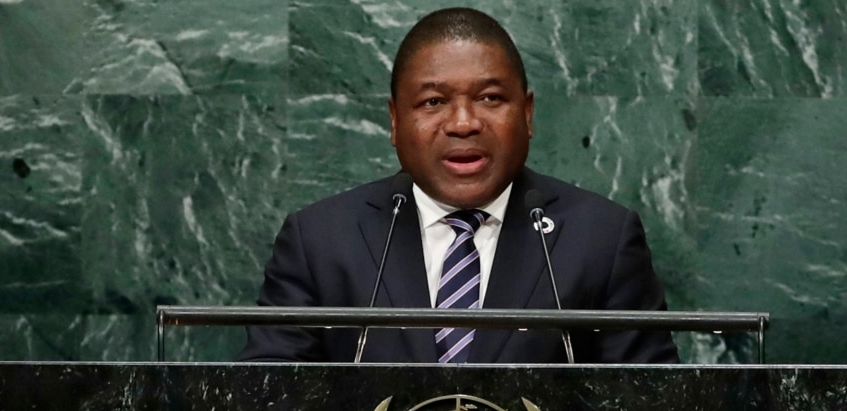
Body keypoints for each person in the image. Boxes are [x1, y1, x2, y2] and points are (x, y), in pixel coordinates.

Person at [238, 7, 679, 364]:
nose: (464, 123)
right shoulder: (319, 241)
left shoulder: (602, 239)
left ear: (526, 114)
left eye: (490, 98)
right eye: (433, 102)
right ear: (394, 121)